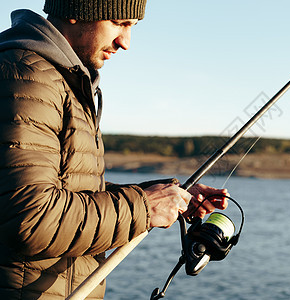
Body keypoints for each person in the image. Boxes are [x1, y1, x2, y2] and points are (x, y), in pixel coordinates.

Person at [0, 0, 228, 299]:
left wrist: (166, 195)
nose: (125, 43)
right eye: (119, 23)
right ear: (76, 11)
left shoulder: (62, 79)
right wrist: (144, 206)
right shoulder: (27, 77)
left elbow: (68, 189)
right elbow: (30, 219)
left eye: (132, 27)